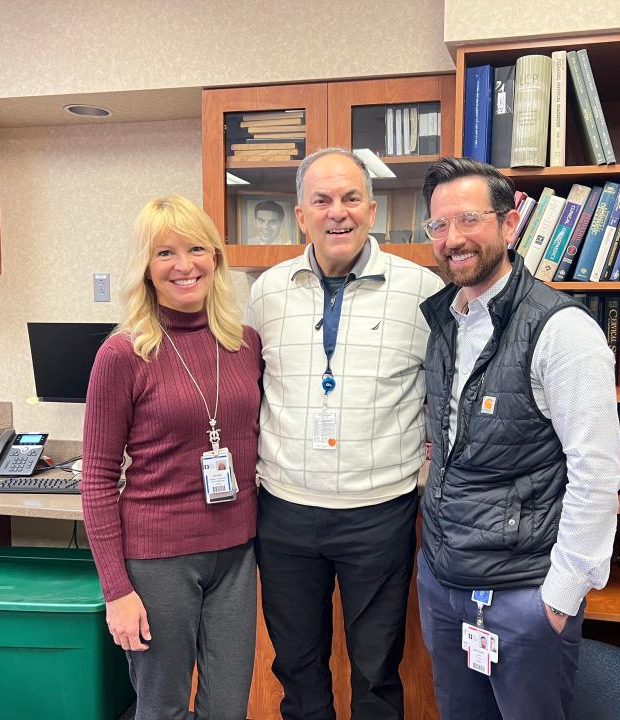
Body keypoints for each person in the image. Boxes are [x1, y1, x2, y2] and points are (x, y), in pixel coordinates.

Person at [415, 157, 620, 720]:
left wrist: (558, 599)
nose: (452, 239)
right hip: (444, 583)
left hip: (522, 595)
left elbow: (597, 474)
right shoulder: (444, 321)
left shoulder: (561, 330)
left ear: (510, 226)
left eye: (469, 220)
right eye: (438, 225)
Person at [248, 147, 443, 720]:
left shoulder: (422, 291)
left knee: (377, 669)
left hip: (379, 511)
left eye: (352, 198)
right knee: (298, 668)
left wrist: (425, 479)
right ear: (301, 214)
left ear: (373, 209)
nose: (339, 213)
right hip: (284, 513)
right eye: (323, 200)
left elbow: (442, 399)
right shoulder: (267, 292)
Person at [82, 195, 262, 720]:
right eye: (165, 253)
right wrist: (117, 591)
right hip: (157, 559)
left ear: (216, 259)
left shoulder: (245, 343)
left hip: (236, 553)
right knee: (160, 706)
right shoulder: (124, 354)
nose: (184, 265)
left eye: (196, 249)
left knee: (228, 706)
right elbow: (95, 479)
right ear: (146, 269)